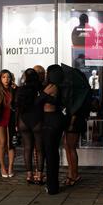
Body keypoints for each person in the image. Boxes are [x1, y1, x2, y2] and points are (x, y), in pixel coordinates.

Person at [39, 65, 66, 195]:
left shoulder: (51, 87)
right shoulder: (61, 86)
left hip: (49, 120)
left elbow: (37, 102)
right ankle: (53, 184)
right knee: (53, 153)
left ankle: (52, 186)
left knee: (50, 154)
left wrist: (43, 95)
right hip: (57, 119)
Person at [16, 69, 45, 185]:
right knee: (39, 149)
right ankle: (39, 175)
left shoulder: (21, 89)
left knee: (27, 148)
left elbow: (17, 107)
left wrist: (16, 123)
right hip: (37, 120)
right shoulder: (41, 89)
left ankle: (29, 175)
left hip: (23, 120)